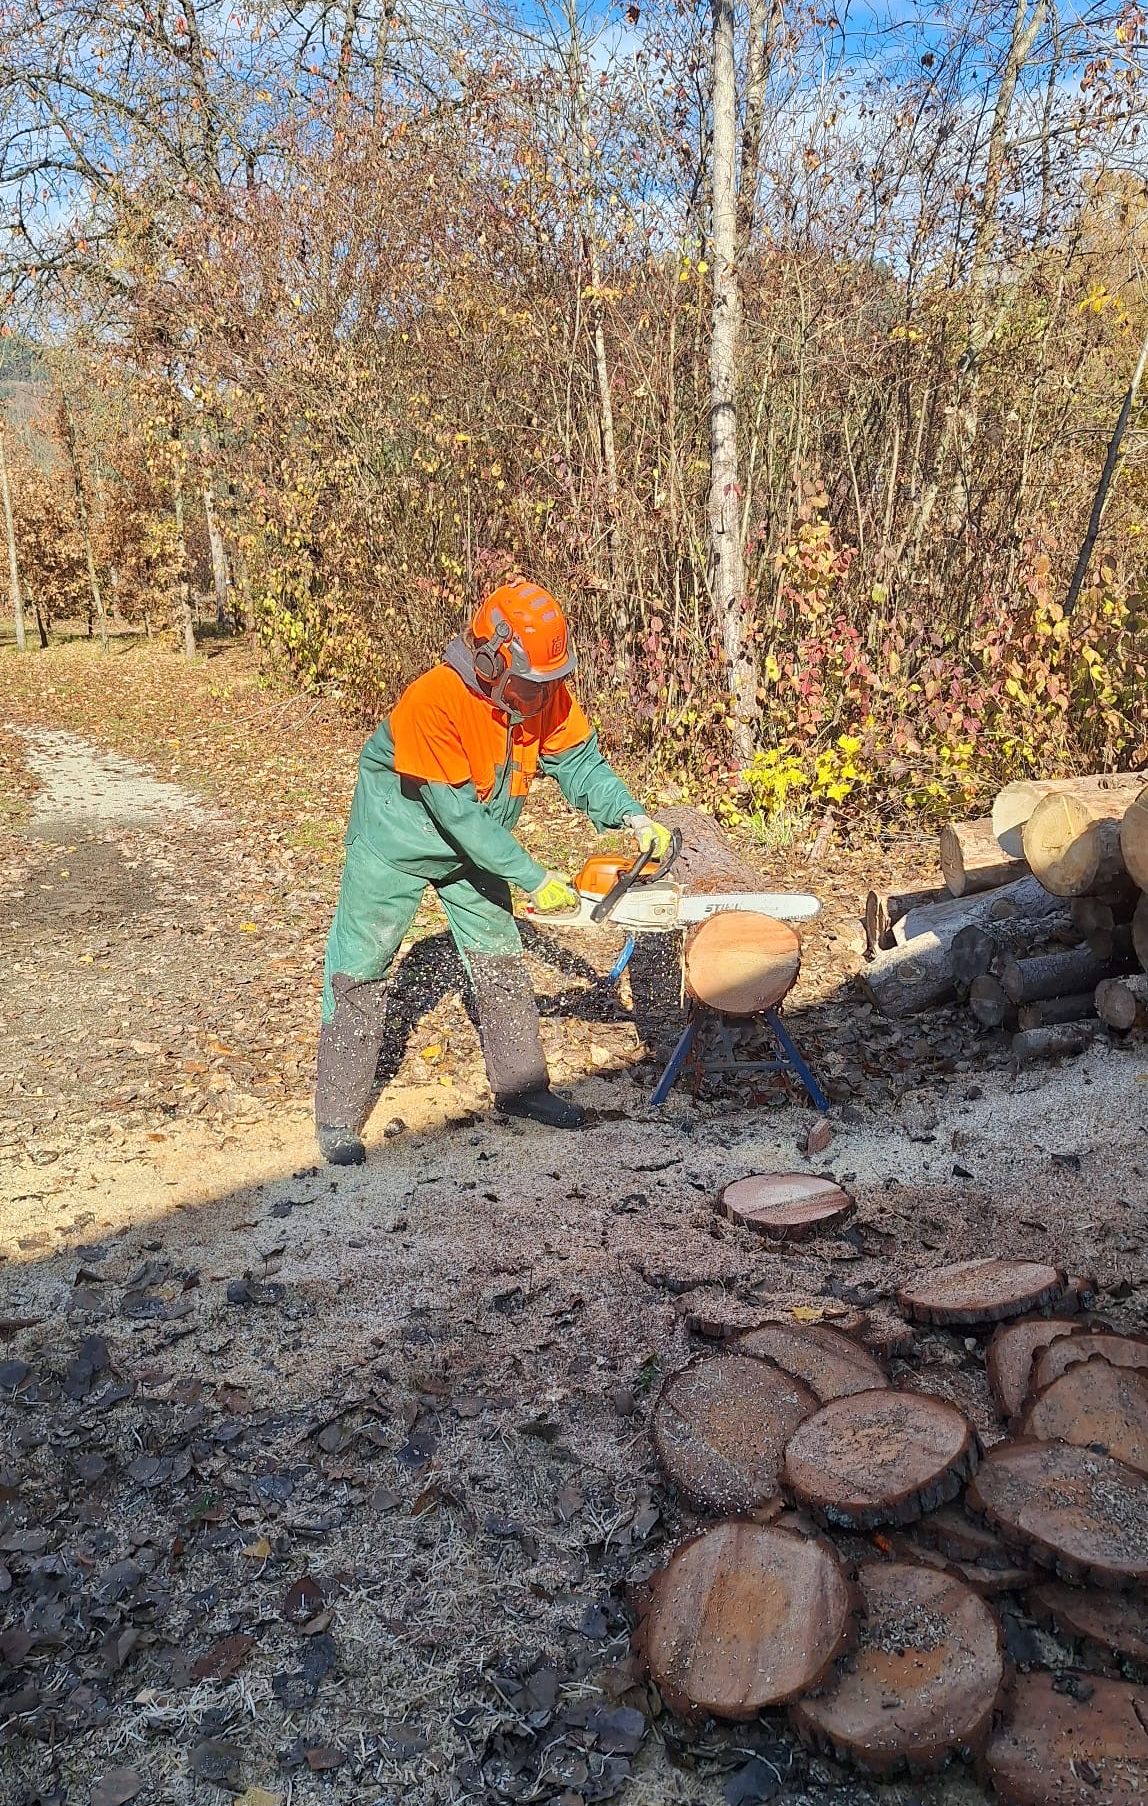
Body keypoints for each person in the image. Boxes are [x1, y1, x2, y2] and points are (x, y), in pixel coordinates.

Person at [315, 576, 673, 1164]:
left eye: (551, 682)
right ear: (490, 661)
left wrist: (630, 816)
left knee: (497, 951)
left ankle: (521, 1088)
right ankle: (337, 1116)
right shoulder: (433, 701)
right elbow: (459, 817)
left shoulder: (544, 692)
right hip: (395, 841)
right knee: (363, 964)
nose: (543, 696)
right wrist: (534, 878)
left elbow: (579, 761)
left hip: (476, 845)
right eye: (532, 684)